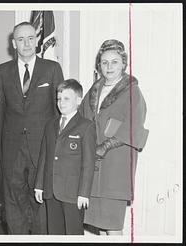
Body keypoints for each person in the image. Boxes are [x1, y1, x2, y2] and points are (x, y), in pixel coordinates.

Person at [0, 21, 64, 234]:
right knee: (14, 203)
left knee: (41, 204)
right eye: (21, 39)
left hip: (42, 148)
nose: (26, 43)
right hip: (12, 150)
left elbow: (59, 112)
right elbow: (0, 115)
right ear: (13, 44)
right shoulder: (2, 71)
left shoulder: (52, 69)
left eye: (31, 38)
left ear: (37, 41)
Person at [79, 39, 148, 235]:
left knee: (112, 226)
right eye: (104, 62)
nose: (109, 67)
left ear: (123, 63)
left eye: (114, 62)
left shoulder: (133, 91)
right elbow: (82, 121)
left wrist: (105, 146)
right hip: (93, 168)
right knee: (99, 226)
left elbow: (134, 127)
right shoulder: (94, 90)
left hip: (115, 167)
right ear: (98, 65)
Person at [34, 79, 96, 235]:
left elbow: (88, 164)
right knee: (54, 232)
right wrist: (39, 185)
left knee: (73, 232)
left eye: (66, 98)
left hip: (73, 193)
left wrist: (84, 193)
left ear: (78, 100)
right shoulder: (50, 124)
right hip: (51, 190)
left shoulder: (86, 126)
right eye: (59, 99)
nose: (61, 103)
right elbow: (44, 157)